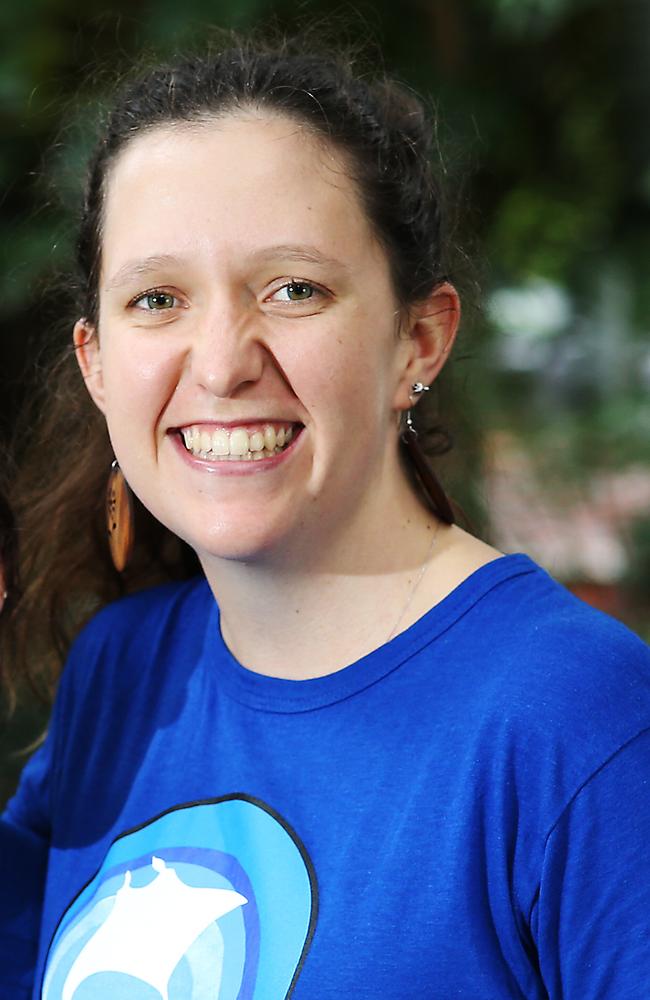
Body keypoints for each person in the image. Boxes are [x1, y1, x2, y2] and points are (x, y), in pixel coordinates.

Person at [2, 34, 650, 1000]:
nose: (220, 363)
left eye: (293, 289)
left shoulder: (577, 716)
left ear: (417, 341)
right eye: (158, 298)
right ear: (98, 365)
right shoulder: (121, 672)